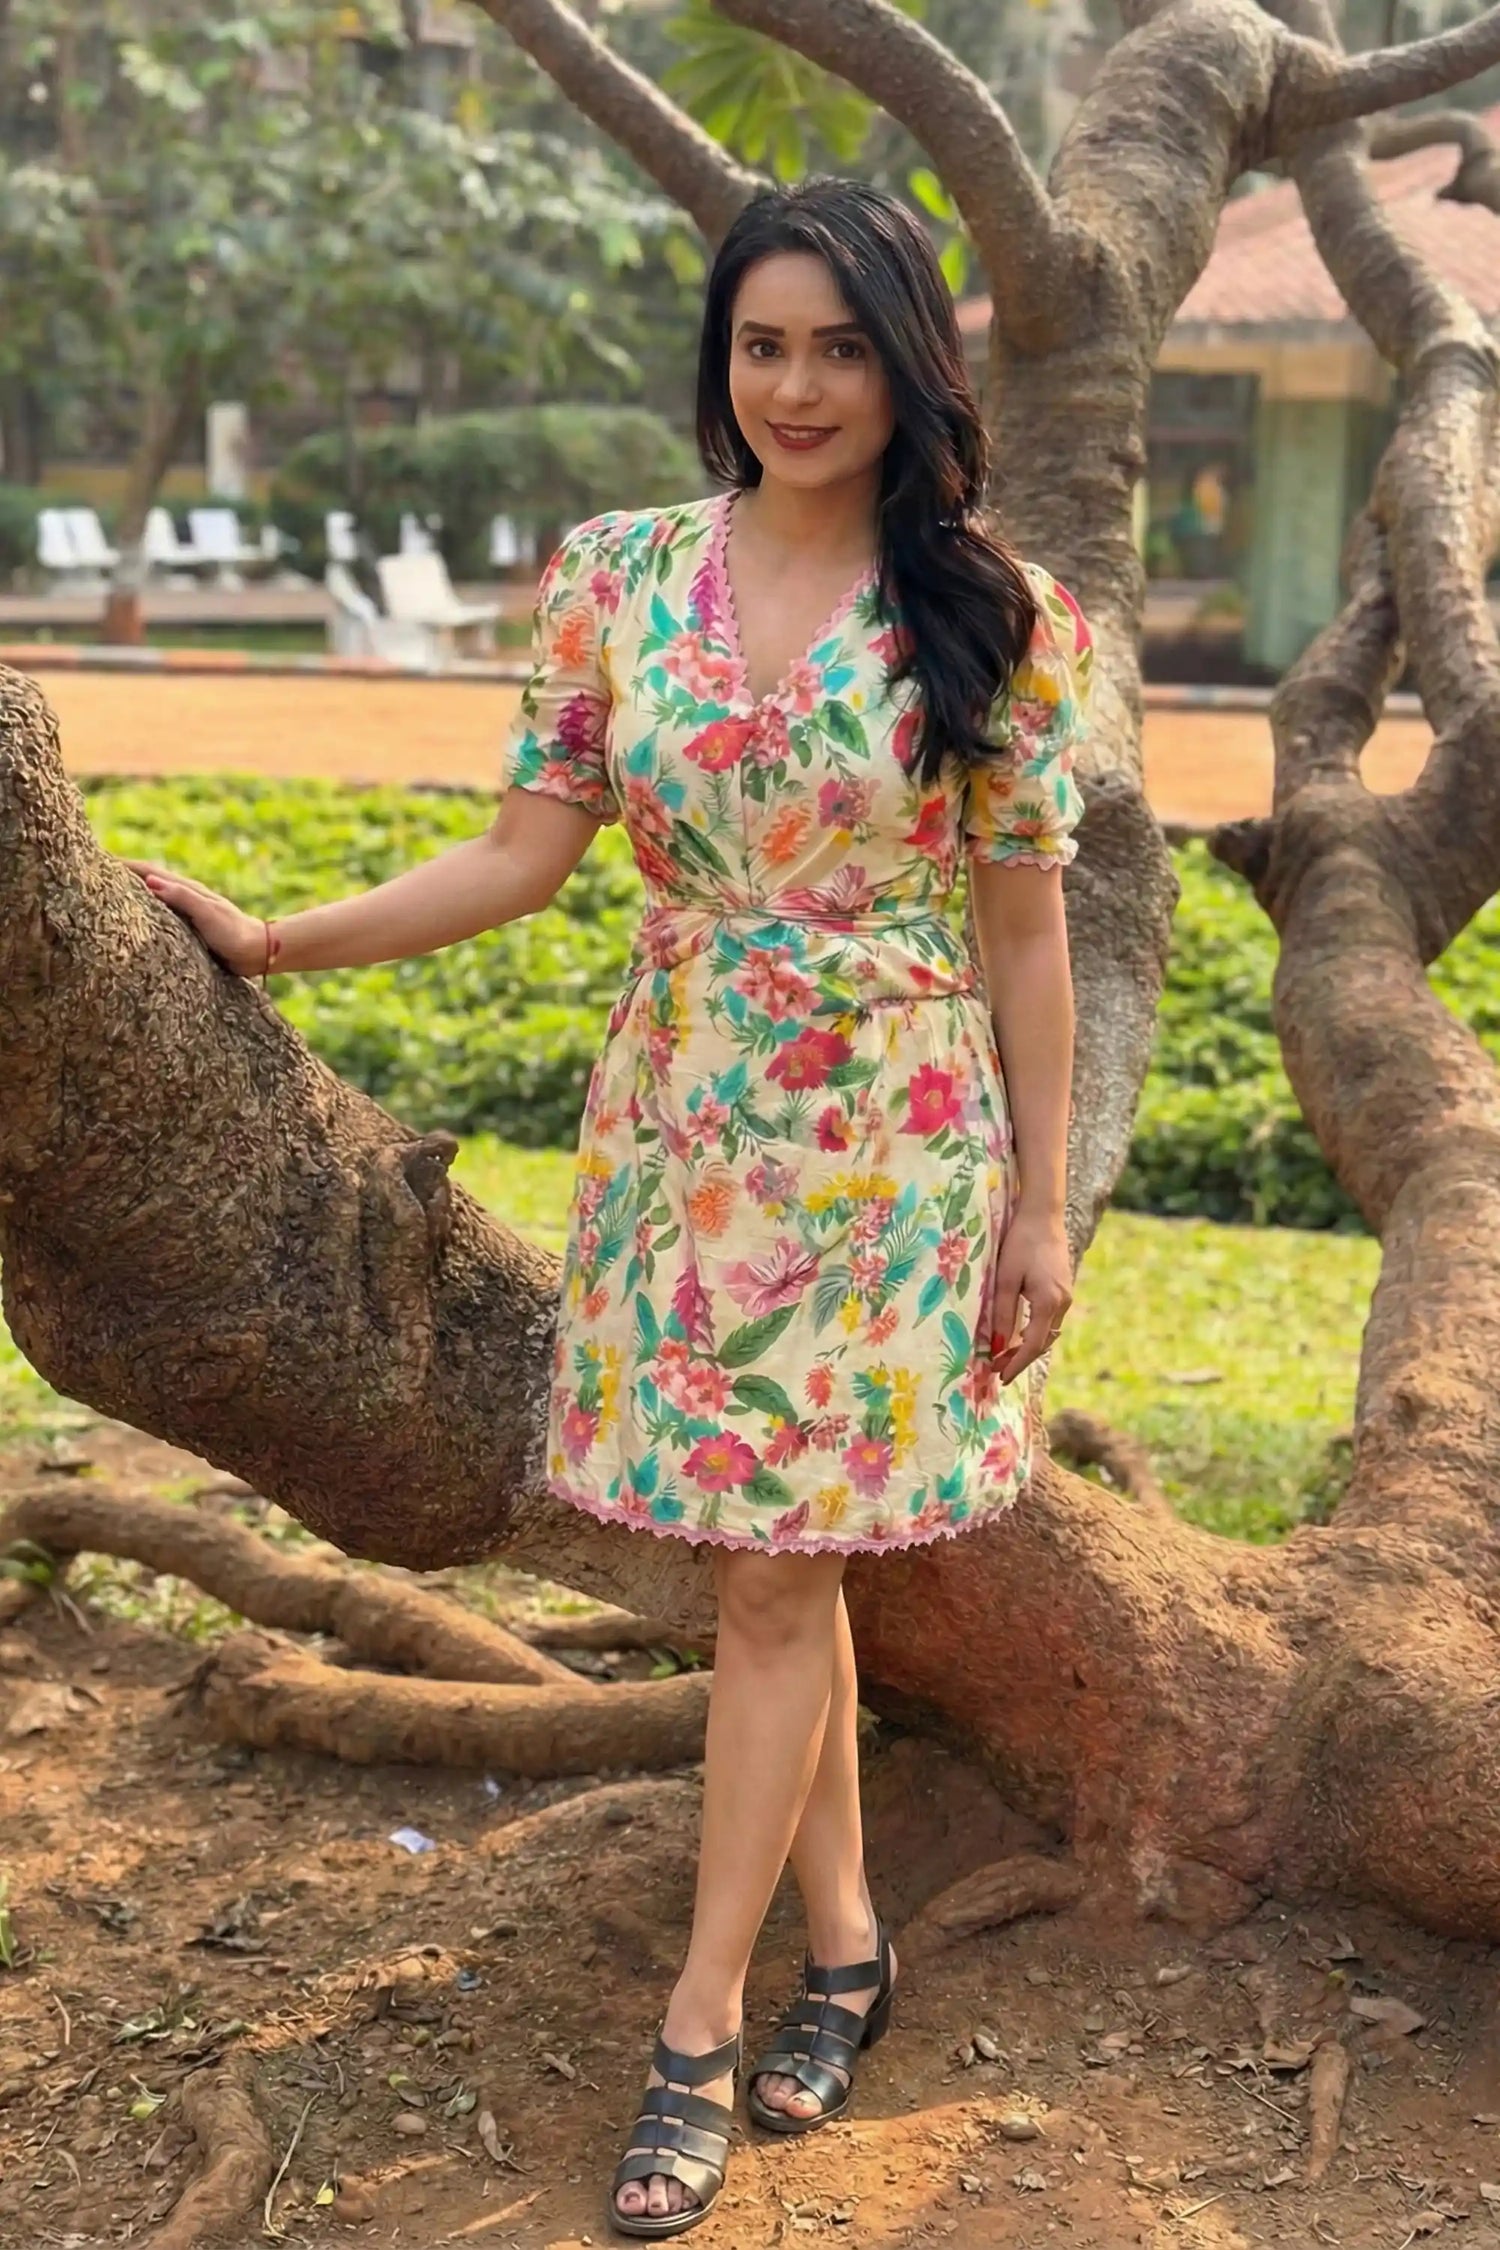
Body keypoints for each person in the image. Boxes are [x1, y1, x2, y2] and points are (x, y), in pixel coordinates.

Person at [124, 175, 1091, 2242]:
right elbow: (520, 856)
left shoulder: (988, 605)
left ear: (910, 364)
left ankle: (697, 2028)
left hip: (895, 1151)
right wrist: (272, 941)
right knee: (781, 1564)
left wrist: (1040, 1209)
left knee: (769, 1578)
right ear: (719, 360)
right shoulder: (620, 579)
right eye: (765, 343)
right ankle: (847, 1943)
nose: (799, 385)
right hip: (683, 1131)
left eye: (842, 346)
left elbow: (1030, 944)